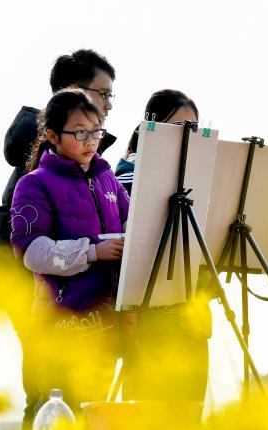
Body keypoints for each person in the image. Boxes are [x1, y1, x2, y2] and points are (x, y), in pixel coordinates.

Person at [0, 49, 119, 430]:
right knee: (48, 403)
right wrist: (92, 251)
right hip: (45, 304)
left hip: (92, 310)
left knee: (82, 405)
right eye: (104, 93)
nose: (109, 105)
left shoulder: (100, 172)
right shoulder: (37, 173)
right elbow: (29, 246)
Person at [10, 89, 130, 418]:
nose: (90, 140)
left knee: (94, 425)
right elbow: (32, 252)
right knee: (61, 425)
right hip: (60, 331)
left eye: (95, 131)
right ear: (52, 136)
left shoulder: (108, 179)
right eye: (80, 132)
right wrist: (92, 252)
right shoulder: (34, 184)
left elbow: (135, 223)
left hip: (105, 328)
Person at [114, 90, 211, 405]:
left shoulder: (200, 179)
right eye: (179, 126)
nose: (187, 136)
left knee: (189, 419)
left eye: (193, 129)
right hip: (148, 316)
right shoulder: (124, 178)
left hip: (189, 314)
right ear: (152, 125)